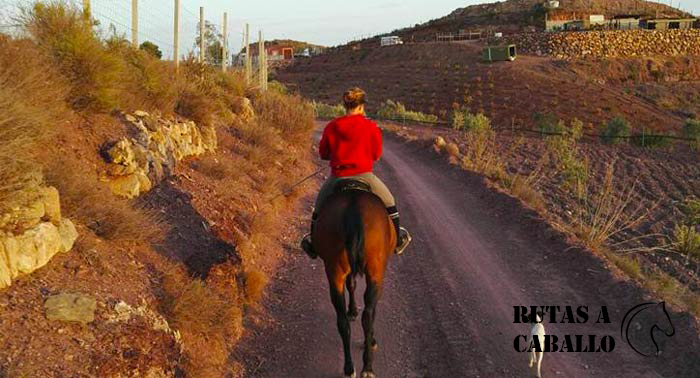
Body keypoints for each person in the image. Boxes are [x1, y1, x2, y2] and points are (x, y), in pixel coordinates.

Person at [301, 87, 411, 258]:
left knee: (319, 207)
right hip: (365, 176)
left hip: (338, 178)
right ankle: (398, 240)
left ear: (345, 106)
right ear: (361, 106)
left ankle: (313, 243)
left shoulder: (332, 126)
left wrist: (337, 155)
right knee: (390, 202)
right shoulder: (370, 126)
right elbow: (376, 155)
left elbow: (323, 153)